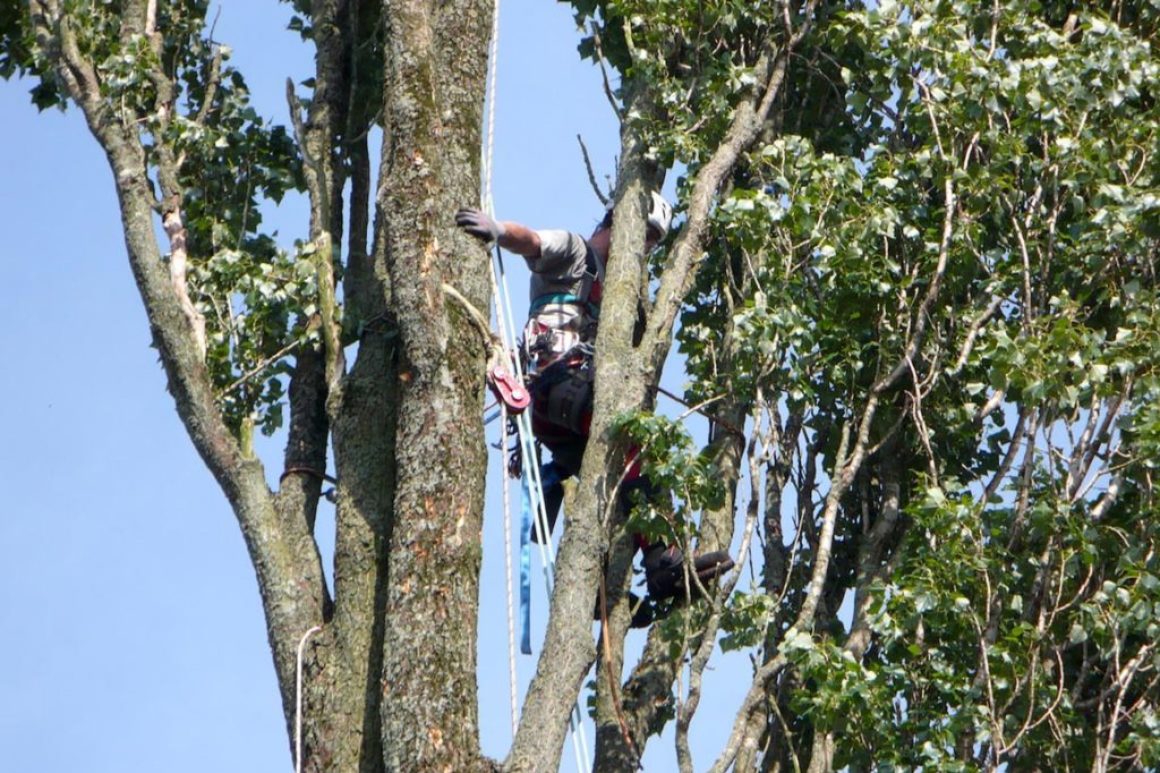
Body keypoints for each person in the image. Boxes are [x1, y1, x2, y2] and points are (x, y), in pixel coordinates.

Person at [456, 195, 733, 618]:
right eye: (643, 234)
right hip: (559, 385)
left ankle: (597, 587)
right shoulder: (574, 252)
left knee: (615, 481)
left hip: (561, 413)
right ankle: (662, 561)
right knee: (637, 442)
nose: (645, 247)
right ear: (617, 224)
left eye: (653, 242)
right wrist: (496, 230)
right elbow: (529, 240)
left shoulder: (613, 292)